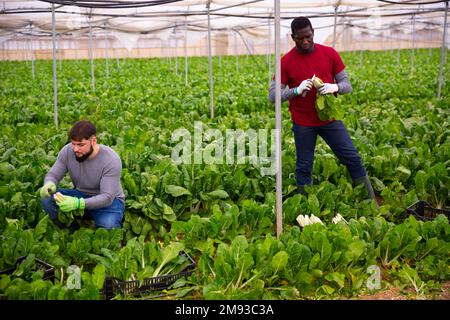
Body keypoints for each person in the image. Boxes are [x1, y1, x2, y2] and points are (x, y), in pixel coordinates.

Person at [268, 16, 377, 206]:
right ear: (292, 37)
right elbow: (272, 96)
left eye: (308, 36)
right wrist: (295, 90)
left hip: (329, 119)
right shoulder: (286, 62)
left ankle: (372, 202)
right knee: (304, 167)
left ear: (313, 32)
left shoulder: (329, 53)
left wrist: (335, 88)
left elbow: (347, 85)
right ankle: (304, 209)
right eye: (300, 38)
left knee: (352, 158)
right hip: (303, 123)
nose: (305, 41)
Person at [39, 120, 125, 230]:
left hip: (109, 203)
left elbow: (107, 197)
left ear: (93, 141)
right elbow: (54, 175)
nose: (75, 149)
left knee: (108, 226)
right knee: (47, 199)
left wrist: (79, 204)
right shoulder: (67, 151)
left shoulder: (111, 160)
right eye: (73, 144)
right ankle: (71, 230)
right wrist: (49, 184)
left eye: (80, 145)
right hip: (81, 194)